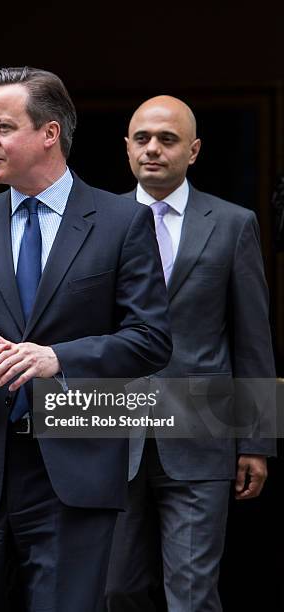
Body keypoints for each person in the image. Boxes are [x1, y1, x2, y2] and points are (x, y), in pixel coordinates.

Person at [0, 67, 172, 612]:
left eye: (3, 127)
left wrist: (58, 358)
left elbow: (151, 339)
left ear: (50, 133)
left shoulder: (121, 222)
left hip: (74, 473)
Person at [105, 95, 276, 611]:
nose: (152, 149)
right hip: (111, 433)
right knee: (114, 591)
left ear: (194, 150)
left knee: (193, 595)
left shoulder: (232, 223)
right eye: (142, 139)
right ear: (127, 148)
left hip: (202, 432)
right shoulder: (97, 224)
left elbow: (252, 337)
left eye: (167, 139)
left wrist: (257, 442)